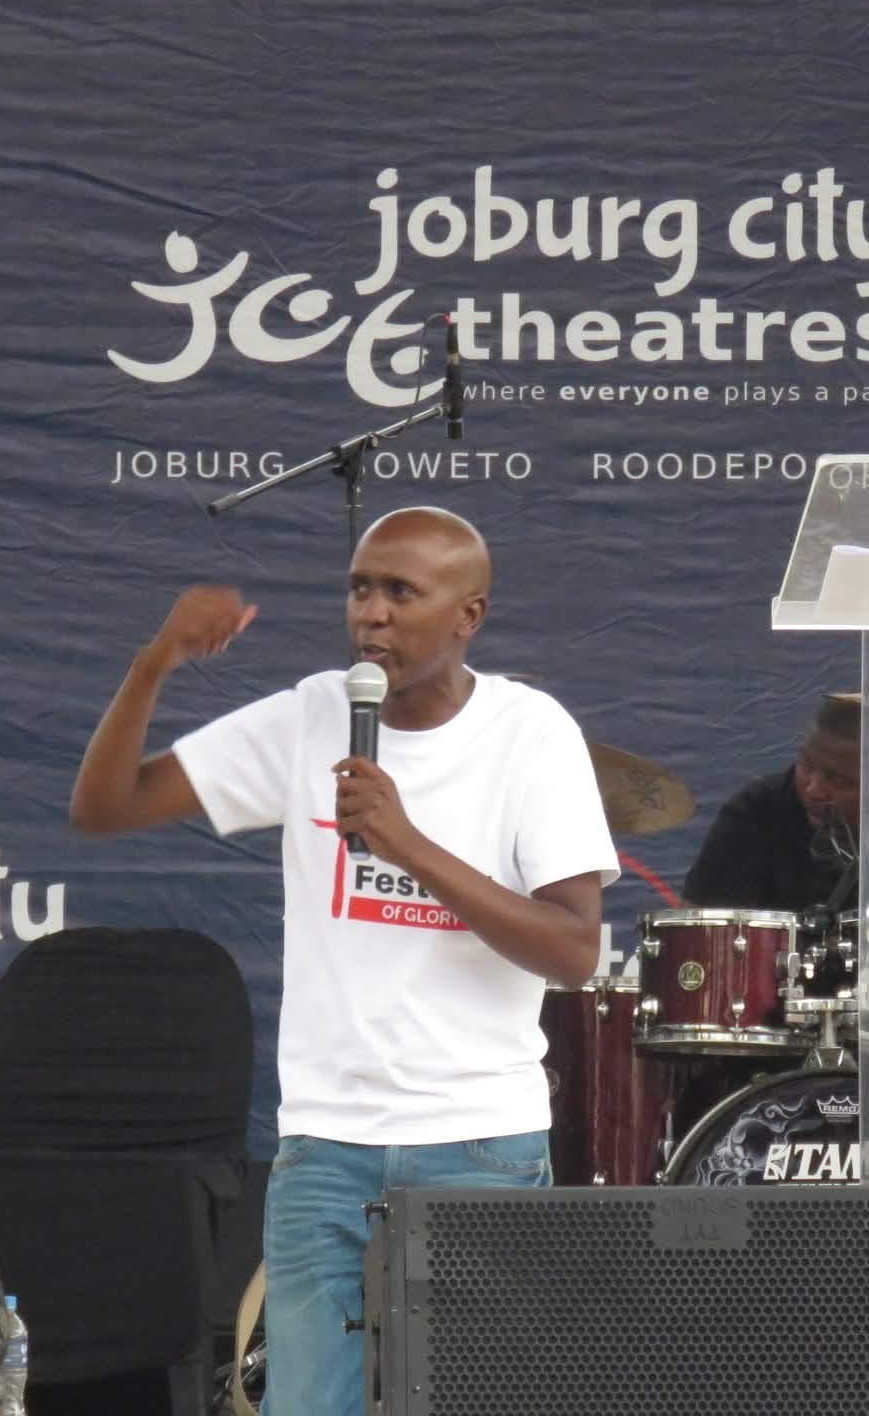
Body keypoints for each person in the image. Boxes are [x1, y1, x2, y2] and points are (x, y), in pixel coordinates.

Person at [69, 506, 618, 1416]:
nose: (372, 614)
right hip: (326, 1142)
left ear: (469, 615)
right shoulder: (314, 715)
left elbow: (574, 949)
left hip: (478, 1140)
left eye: (401, 592)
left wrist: (409, 847)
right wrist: (151, 664)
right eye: (359, 589)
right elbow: (105, 807)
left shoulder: (531, 733)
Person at [683, 693, 869, 918]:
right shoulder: (755, 813)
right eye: (805, 765)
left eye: (838, 780)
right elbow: (702, 932)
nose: (813, 789)